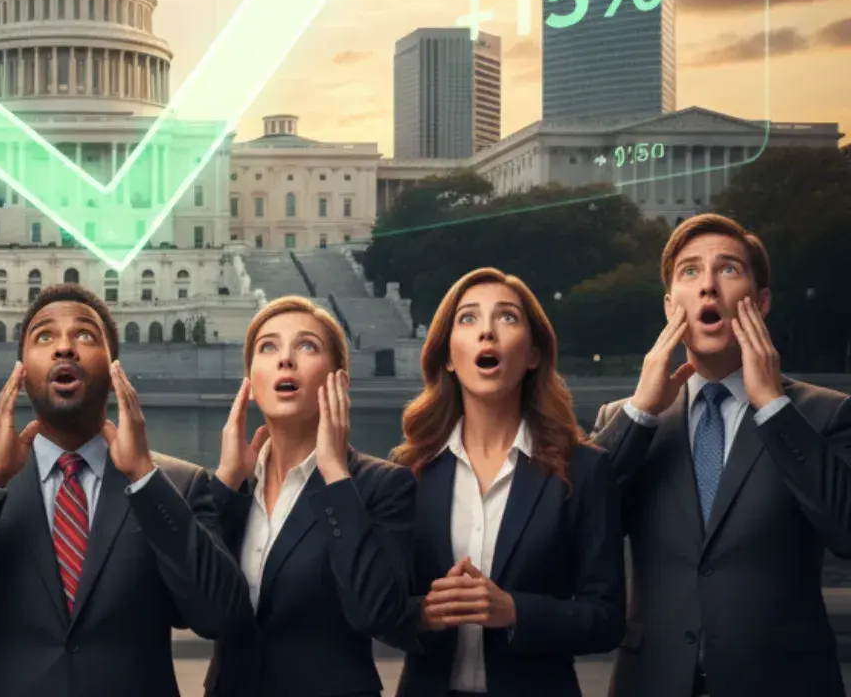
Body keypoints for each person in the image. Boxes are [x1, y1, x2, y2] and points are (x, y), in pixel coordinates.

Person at [0, 283, 247, 697]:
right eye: (44, 336)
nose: (64, 348)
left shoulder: (178, 485)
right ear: (20, 370)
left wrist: (145, 479)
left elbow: (219, 615)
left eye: (84, 335)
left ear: (115, 370)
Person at [591, 213, 851, 697]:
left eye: (728, 269)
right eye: (689, 272)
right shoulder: (622, 420)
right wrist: (639, 415)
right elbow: (570, 527)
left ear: (762, 301)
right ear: (671, 306)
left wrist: (773, 406)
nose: (708, 285)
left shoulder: (824, 415)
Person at [388, 267, 624, 697]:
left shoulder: (585, 470)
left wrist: (515, 611)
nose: (488, 333)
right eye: (469, 318)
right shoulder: (408, 473)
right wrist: (423, 614)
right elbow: (383, 609)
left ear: (534, 354)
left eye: (507, 318)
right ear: (446, 356)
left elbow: (606, 619)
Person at [204, 295, 414, 696]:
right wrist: (227, 481)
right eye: (268, 347)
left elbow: (377, 613)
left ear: (340, 383)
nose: (286, 359)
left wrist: (335, 475)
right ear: (249, 383)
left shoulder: (382, 487)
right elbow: (197, 604)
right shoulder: (232, 489)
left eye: (307, 346)